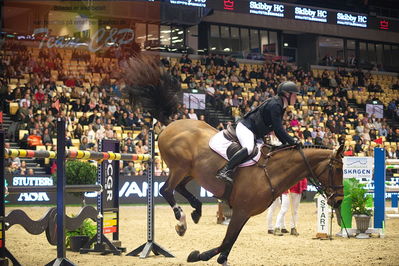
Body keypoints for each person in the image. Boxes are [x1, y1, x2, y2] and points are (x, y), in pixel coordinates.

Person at [216, 81, 301, 182]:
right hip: (246, 128)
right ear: (287, 94)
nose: (296, 98)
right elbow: (279, 129)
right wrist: (293, 141)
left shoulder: (281, 105)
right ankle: (225, 170)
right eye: (295, 95)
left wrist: (287, 144)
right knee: (248, 148)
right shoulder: (275, 105)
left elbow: (277, 130)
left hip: (255, 133)